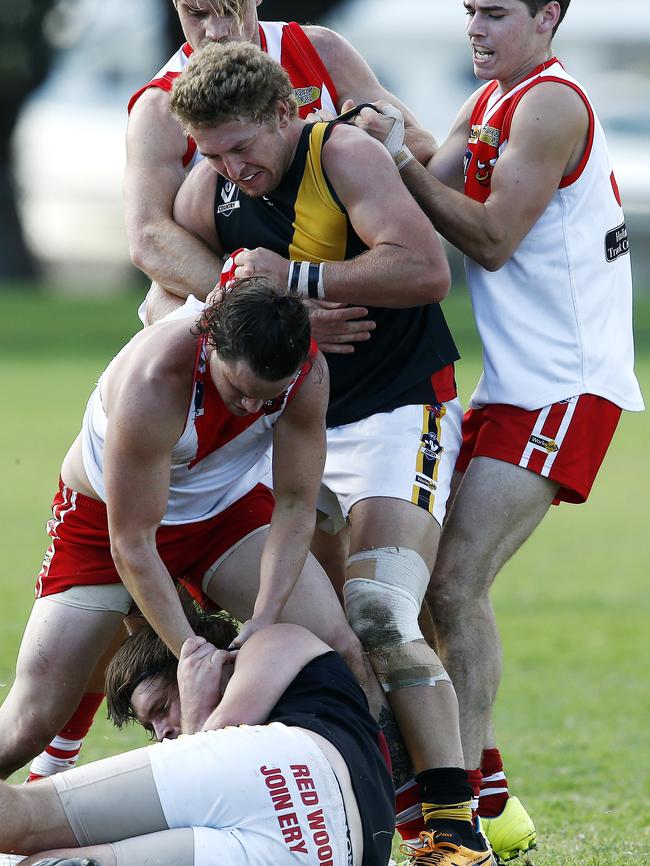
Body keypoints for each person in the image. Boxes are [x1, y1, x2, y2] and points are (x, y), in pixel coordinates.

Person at [164, 42, 496, 866]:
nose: (233, 168)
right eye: (213, 152)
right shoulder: (208, 189)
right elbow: (175, 278)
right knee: (312, 627)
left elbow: (424, 270)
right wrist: (234, 300)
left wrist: (298, 283)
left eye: (243, 145)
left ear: (287, 112)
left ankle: (458, 832)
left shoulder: (338, 150)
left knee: (382, 610)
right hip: (285, 429)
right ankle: (353, 801)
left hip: (395, 414)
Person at [352, 0, 645, 860]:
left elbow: (487, 238)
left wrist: (388, 157)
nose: (475, 28)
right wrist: (364, 139)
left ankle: (465, 817)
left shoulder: (551, 104)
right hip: (510, 387)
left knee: (452, 585)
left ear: (549, 16)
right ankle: (490, 799)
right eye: (469, 11)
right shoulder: (486, 103)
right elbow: (426, 170)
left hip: (567, 389)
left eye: (496, 13)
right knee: (428, 589)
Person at [0, 272, 385, 786]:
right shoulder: (154, 380)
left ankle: (390, 821)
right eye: (239, 390)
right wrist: (191, 653)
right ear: (210, 343)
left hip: (223, 512)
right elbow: (131, 543)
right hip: (106, 523)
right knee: (30, 721)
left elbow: (294, 506)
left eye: (265, 398)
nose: (250, 407)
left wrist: (267, 615)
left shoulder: (306, 373)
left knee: (341, 649)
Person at [126, 0, 434, 345]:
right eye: (195, 14)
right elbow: (150, 238)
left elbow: (420, 145)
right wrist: (273, 306)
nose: (215, 31)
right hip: (252, 325)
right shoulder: (158, 106)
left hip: (361, 316)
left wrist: (352, 146)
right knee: (163, 318)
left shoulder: (318, 50)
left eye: (230, 10)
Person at [0, 622, 396, 866]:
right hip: (336, 855)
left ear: (206, 660)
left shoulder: (272, 641)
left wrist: (193, 707)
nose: (162, 735)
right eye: (150, 727)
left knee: (27, 818)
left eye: (161, 707)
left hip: (293, 766)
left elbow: (222, 740)